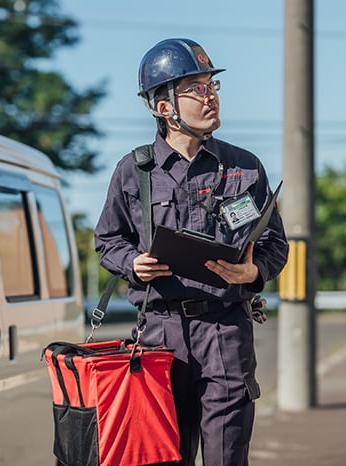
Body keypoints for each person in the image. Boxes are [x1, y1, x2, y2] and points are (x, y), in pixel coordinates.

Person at [94, 38, 289, 465]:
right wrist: (134, 264)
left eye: (212, 86)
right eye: (197, 89)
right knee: (167, 458)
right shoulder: (134, 171)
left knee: (226, 457)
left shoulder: (246, 167)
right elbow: (107, 241)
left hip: (226, 331)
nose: (211, 96)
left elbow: (275, 244)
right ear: (164, 107)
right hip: (160, 339)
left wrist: (253, 272)